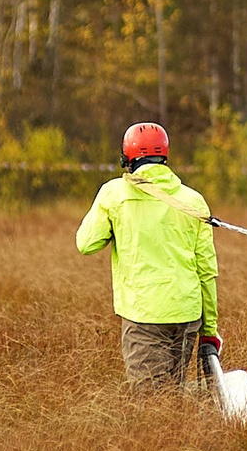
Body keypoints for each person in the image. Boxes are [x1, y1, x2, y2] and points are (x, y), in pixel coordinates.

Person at [74, 122, 221, 392]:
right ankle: (199, 420)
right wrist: (209, 329)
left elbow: (86, 243)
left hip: (145, 315)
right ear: (165, 156)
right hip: (187, 314)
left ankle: (201, 413)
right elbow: (207, 271)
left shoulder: (114, 193)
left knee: (149, 402)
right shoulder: (194, 200)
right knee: (170, 395)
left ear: (126, 158)